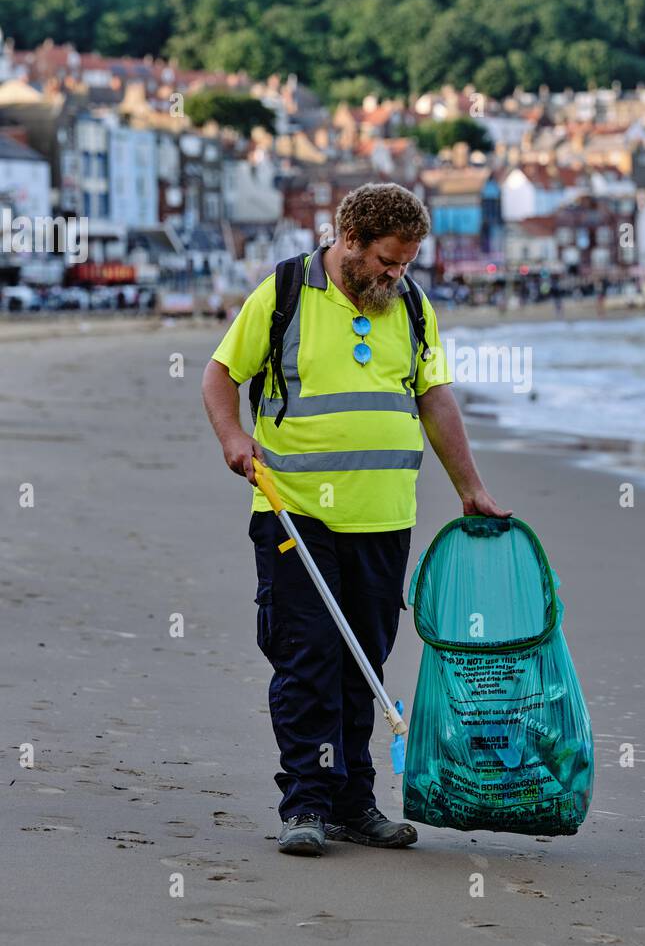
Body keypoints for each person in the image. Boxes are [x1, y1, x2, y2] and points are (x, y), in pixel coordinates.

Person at [201, 184, 510, 857]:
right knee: (307, 657)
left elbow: (435, 399)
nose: (396, 274)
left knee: (361, 665)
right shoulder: (283, 293)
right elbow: (221, 374)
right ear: (349, 242)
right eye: (386, 261)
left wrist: (471, 488)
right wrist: (233, 439)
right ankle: (305, 806)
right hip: (294, 512)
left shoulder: (413, 308)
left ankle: (353, 804)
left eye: (406, 263)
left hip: (384, 518)